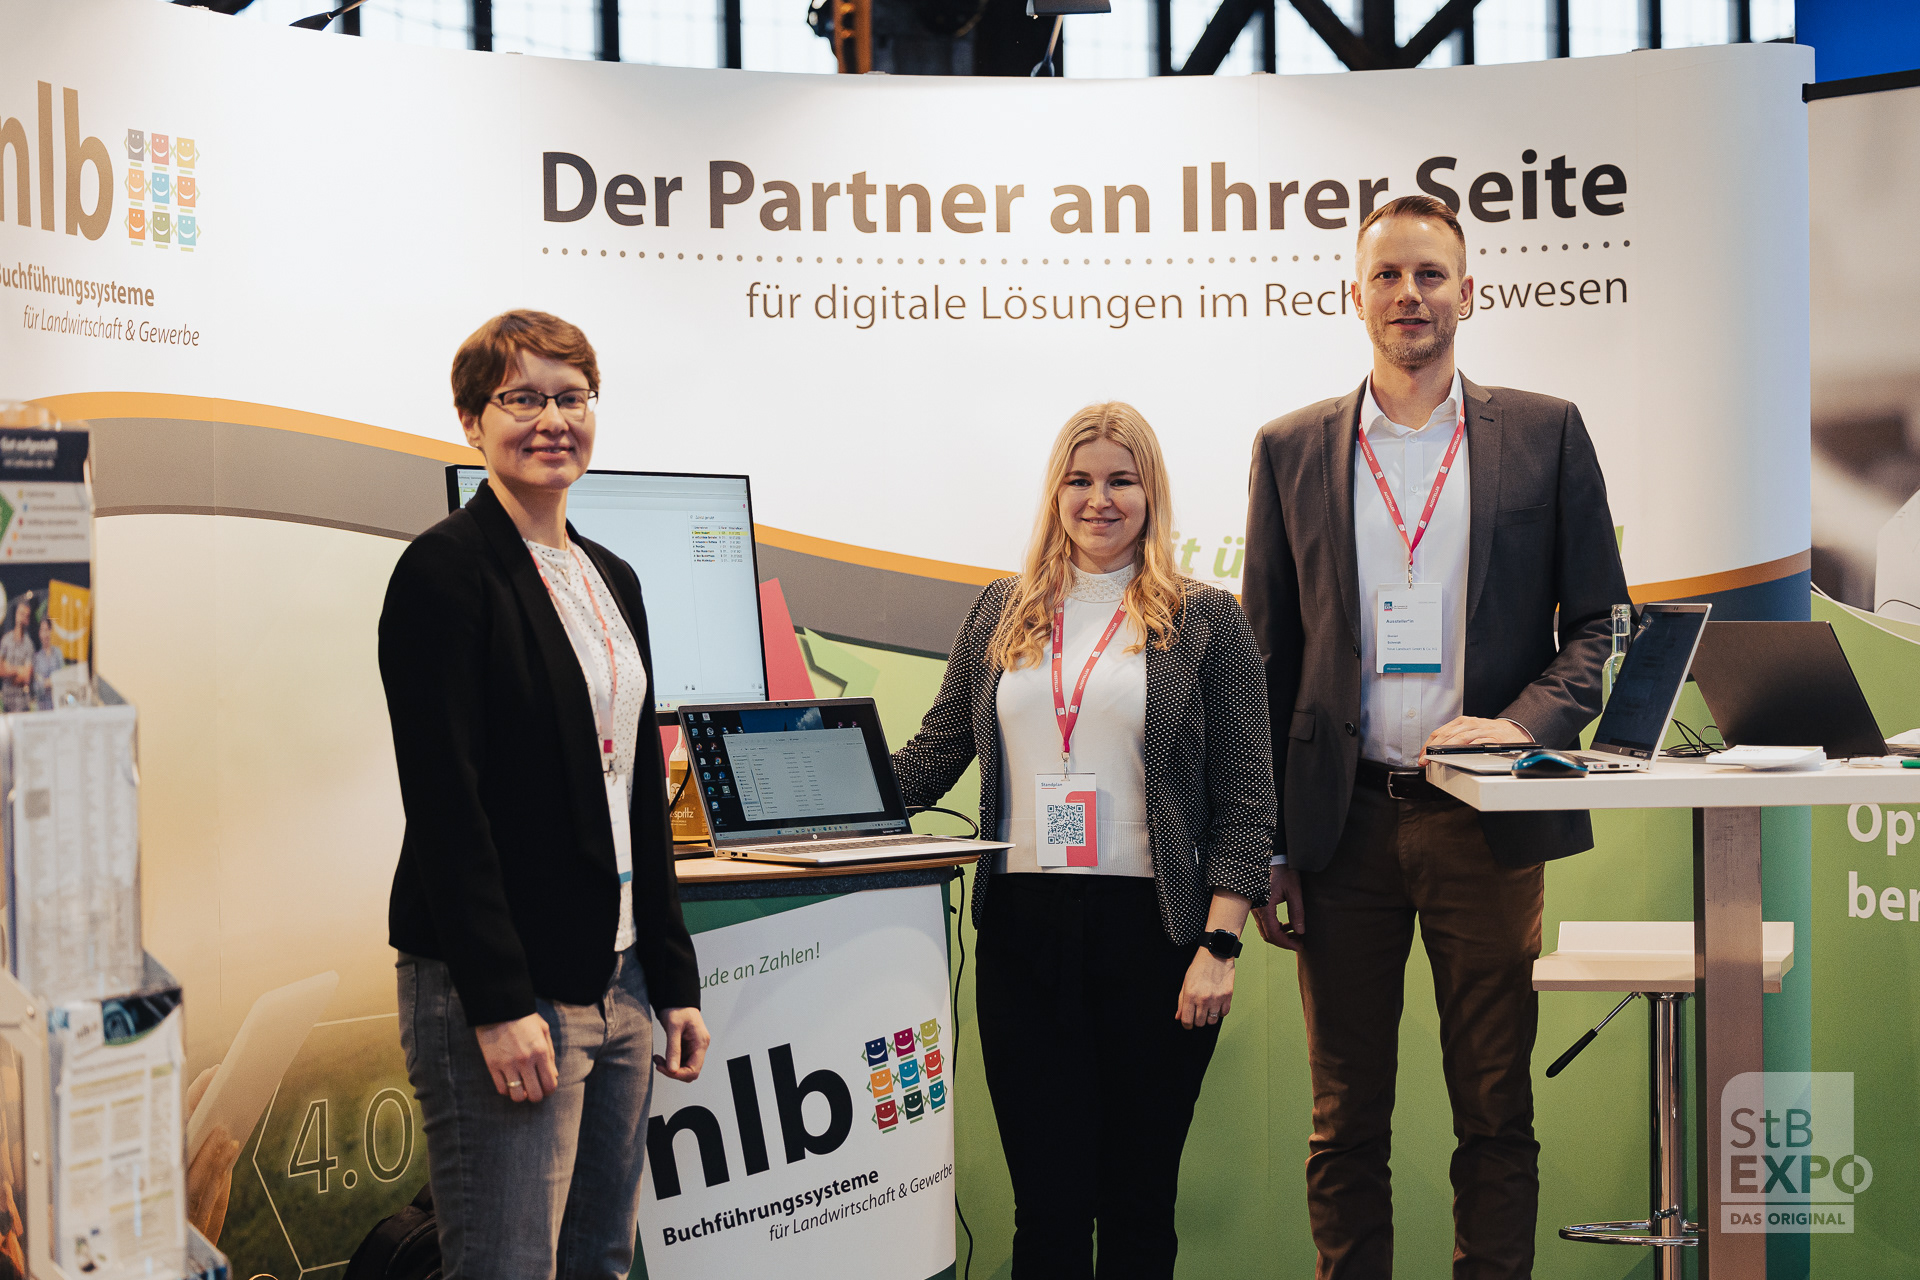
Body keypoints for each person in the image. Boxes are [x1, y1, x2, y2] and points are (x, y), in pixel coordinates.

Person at [1242, 194, 1630, 1280]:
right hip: (1342, 828)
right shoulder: (1290, 449)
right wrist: (1268, 842)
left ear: (1470, 291)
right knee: (1344, 1121)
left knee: (1496, 1112)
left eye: (1429, 274)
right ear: (1354, 295)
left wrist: (1518, 726)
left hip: (1485, 820)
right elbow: (1267, 659)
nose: (1408, 294)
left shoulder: (1546, 432)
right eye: (1388, 275)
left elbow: (1603, 623)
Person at [891, 402, 1275, 1280]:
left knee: (1138, 1206)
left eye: (1120, 481)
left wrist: (1220, 947)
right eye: (1080, 480)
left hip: (1157, 937)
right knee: (1047, 1212)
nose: (1099, 500)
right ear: (1055, 492)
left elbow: (1248, 798)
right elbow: (934, 753)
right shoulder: (1002, 609)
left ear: (1151, 492)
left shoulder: (1208, 620)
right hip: (1022, 934)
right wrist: (806, 787)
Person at [379, 310, 710, 1280]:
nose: (552, 420)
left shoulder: (612, 577)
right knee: (508, 1264)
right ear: (471, 419)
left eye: (571, 397)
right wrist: (496, 1003)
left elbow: (637, 790)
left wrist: (671, 975)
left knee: (598, 1260)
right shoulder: (444, 570)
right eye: (521, 398)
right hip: (507, 987)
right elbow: (445, 801)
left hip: (620, 980)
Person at [0, 599, 33, 713]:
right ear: (16, 615)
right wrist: (19, 670)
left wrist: (8, 669)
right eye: (21, 614)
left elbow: (26, 677)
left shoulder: (29, 644)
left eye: (26, 615)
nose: (22, 618)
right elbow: (1, 670)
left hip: (22, 704)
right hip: (7, 703)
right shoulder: (6, 640)